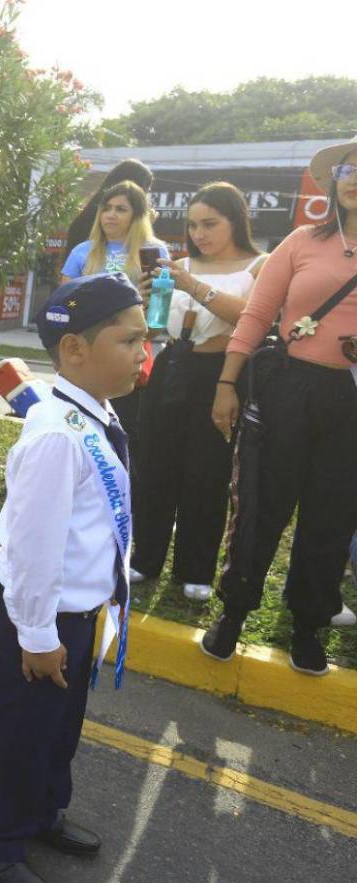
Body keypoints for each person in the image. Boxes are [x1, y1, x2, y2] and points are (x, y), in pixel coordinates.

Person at [0, 272, 148, 883]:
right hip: (38, 615)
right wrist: (38, 636)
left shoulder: (91, 416)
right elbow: (34, 549)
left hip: (75, 609)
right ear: (74, 350)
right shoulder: (53, 436)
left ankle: (40, 811)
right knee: (16, 727)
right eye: (130, 341)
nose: (142, 354)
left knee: (56, 726)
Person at [203, 135, 357, 676]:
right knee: (260, 503)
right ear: (334, 182)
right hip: (288, 387)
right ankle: (234, 613)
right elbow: (254, 315)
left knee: (331, 516)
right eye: (347, 169)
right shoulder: (301, 242)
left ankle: (308, 625)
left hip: (351, 399)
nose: (355, 177)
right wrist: (227, 382)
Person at [130, 183, 265, 602]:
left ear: (235, 220)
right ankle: (145, 556)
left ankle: (195, 568)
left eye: (210, 223)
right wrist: (146, 298)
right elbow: (156, 327)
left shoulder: (259, 265)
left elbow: (254, 319)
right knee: (154, 466)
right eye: (192, 224)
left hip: (224, 371)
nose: (200, 233)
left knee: (207, 472)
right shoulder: (180, 264)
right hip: (173, 363)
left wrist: (194, 286)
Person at [61, 180, 166, 438]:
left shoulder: (154, 251)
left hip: (127, 359)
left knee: (123, 434)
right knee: (77, 432)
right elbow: (65, 304)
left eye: (121, 209)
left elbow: (159, 317)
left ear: (137, 216)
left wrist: (143, 307)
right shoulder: (81, 252)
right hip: (83, 355)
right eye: (106, 208)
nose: (110, 214)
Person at [61, 158, 154, 266]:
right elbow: (122, 256)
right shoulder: (86, 243)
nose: (111, 215)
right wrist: (144, 225)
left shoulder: (88, 214)